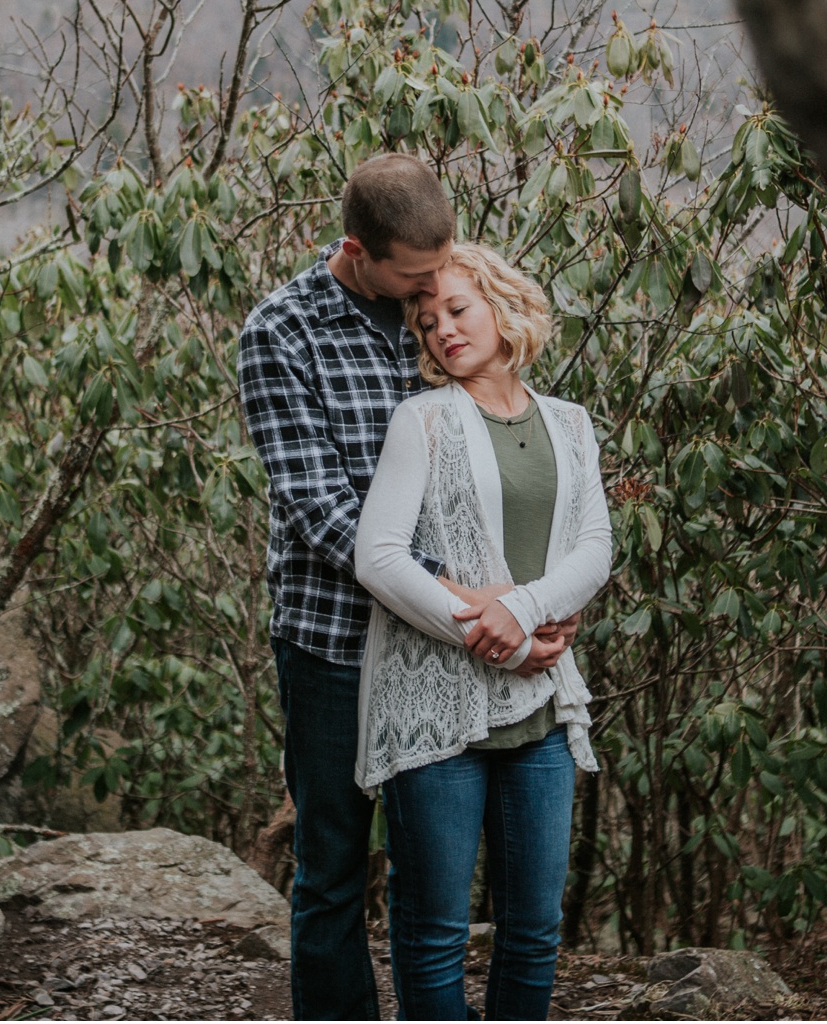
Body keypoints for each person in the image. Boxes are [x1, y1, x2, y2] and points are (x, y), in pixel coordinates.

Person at [239, 156, 581, 1019]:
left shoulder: (434, 308)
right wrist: (487, 608)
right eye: (416, 280)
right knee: (333, 869)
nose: (431, 303)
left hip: (454, 655)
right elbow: (323, 512)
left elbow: (507, 455)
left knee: (441, 888)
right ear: (359, 250)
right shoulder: (282, 331)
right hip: (336, 643)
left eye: (442, 281)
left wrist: (536, 599)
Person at [353, 243, 613, 1022]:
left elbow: (596, 546)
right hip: (436, 717)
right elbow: (379, 556)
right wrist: (482, 626)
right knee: (434, 936)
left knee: (533, 932)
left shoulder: (569, 423)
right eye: (427, 322)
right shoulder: (422, 419)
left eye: (457, 311)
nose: (442, 332)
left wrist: (523, 612)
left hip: (538, 712)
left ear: (503, 307)